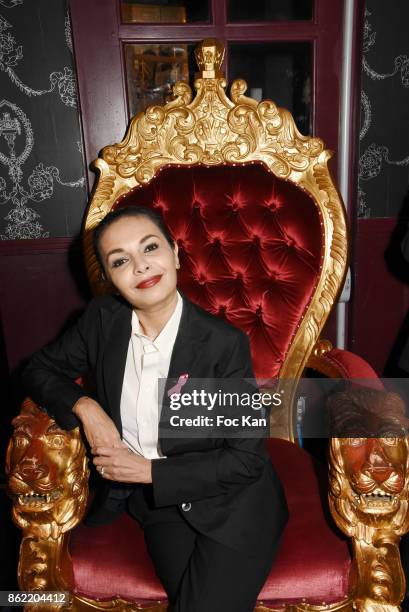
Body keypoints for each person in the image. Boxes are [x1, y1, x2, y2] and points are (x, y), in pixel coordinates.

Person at [21, 206, 288, 612]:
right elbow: (39, 369)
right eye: (121, 260)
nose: (141, 266)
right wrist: (86, 407)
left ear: (176, 253)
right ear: (108, 277)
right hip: (157, 507)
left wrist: (147, 470)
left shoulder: (223, 345)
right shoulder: (102, 320)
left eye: (150, 247)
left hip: (233, 506)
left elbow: (246, 461)